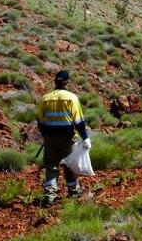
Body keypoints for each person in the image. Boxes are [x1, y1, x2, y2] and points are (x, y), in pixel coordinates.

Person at [36, 70, 90, 204]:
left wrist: (45, 136)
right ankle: (73, 190)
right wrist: (85, 138)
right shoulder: (72, 98)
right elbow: (78, 121)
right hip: (67, 139)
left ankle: (49, 194)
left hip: (50, 138)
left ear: (55, 81)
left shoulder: (46, 98)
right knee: (69, 164)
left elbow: (40, 121)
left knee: (51, 166)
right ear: (66, 82)